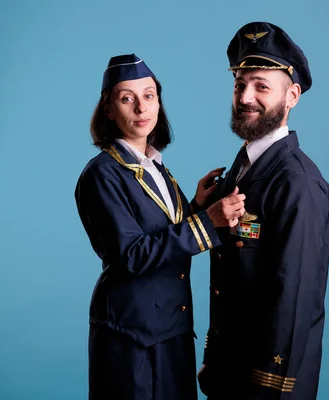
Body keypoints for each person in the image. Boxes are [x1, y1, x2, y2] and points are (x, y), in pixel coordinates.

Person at [74, 53, 246, 400]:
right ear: (108, 109)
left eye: (149, 95)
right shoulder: (101, 174)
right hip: (130, 333)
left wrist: (197, 205)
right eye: (127, 98)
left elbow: (164, 234)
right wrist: (207, 221)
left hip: (173, 329)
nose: (141, 108)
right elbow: (133, 255)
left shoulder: (156, 166)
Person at [195, 22, 329, 400]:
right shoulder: (240, 169)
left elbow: (294, 294)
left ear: (291, 96)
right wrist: (213, 356)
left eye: (261, 86)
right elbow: (230, 279)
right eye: (240, 85)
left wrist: (269, 386)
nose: (245, 98)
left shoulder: (298, 182)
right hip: (229, 373)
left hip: (267, 384)